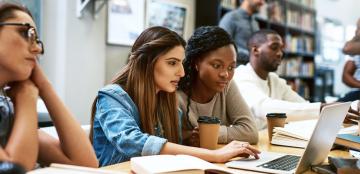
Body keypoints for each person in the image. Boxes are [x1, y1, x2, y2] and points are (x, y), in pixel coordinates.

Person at [90, 26, 260, 167]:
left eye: (181, 62)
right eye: (172, 63)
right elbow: (133, 143)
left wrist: (188, 138)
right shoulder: (112, 97)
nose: (182, 72)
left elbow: (169, 154)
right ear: (146, 63)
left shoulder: (166, 100)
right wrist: (215, 155)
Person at [0, 2, 98, 170]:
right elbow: (13, 169)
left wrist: (44, 86)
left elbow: (85, 163)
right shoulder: (22, 99)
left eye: (37, 40)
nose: (37, 48)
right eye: (25, 32)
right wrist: (27, 96)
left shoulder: (7, 109)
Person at [234, 29, 359, 129]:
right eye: (274, 47)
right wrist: (322, 108)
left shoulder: (274, 80)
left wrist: (353, 106)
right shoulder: (241, 76)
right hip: (243, 147)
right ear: (256, 50)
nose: (280, 53)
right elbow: (264, 108)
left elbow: (302, 106)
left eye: (281, 48)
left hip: (266, 142)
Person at [177, 26, 258, 146]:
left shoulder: (227, 86)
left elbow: (251, 132)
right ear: (196, 63)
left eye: (231, 67)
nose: (225, 74)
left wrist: (210, 134)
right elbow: (167, 137)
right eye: (217, 65)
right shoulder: (176, 92)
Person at [219, 0, 265, 66]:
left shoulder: (255, 23)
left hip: (253, 70)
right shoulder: (230, 18)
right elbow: (223, 46)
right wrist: (252, 55)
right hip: (236, 70)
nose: (262, 3)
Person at [339, 18, 360, 102]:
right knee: (330, 107)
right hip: (357, 92)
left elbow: (346, 48)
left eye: (359, 28)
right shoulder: (356, 51)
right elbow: (345, 76)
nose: (356, 30)